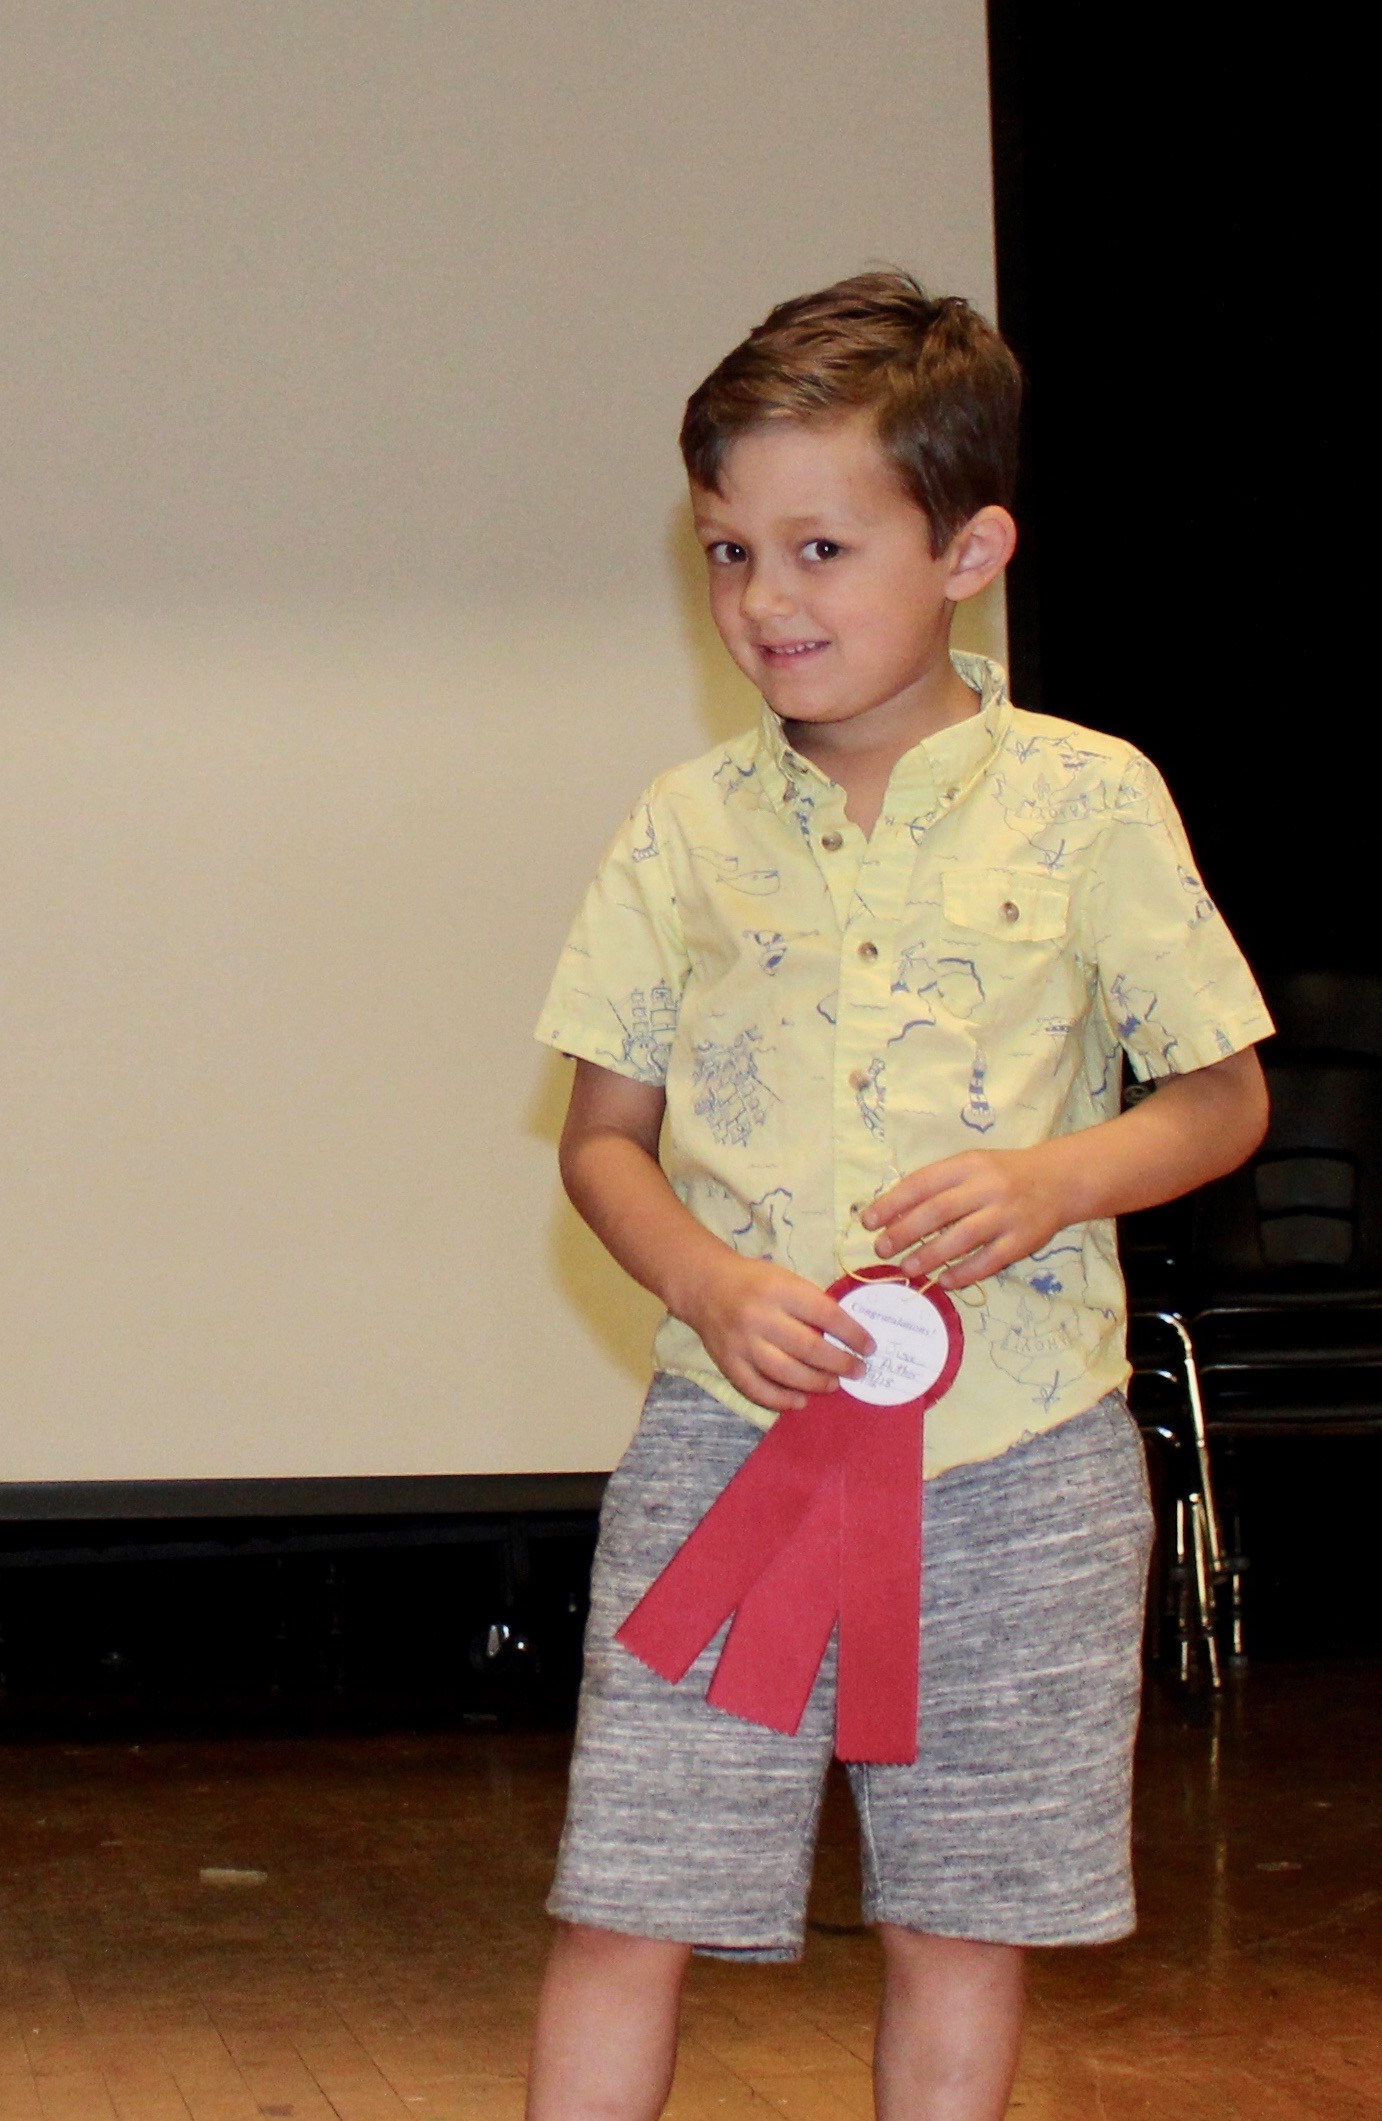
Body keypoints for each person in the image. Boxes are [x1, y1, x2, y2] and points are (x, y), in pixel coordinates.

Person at [524, 273, 1272, 2120]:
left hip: (1021, 1462)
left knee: (959, 1921)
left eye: (817, 546)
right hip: (730, 1451)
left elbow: (1220, 1093)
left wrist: (1052, 1177)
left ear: (970, 548)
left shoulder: (1093, 803)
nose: (762, 601)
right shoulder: (679, 828)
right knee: (627, 1903)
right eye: (723, 550)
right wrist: (703, 1281)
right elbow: (597, 1137)